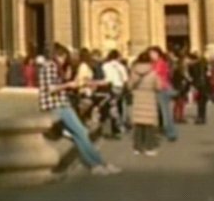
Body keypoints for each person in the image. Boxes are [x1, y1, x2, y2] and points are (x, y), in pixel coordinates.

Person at [38, 42, 121, 175]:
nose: (65, 61)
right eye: (64, 58)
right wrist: (69, 84)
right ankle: (96, 164)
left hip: (60, 104)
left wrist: (68, 81)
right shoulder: (51, 66)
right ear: (60, 56)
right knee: (81, 133)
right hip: (58, 105)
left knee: (79, 134)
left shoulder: (51, 66)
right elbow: (51, 88)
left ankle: (98, 163)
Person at [127, 50, 162, 156]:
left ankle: (137, 147)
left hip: (138, 98)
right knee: (149, 125)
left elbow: (129, 86)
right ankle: (149, 147)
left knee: (138, 124)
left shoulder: (134, 72)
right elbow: (159, 86)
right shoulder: (153, 72)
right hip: (149, 98)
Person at [148, 46, 178, 142]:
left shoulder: (160, 63)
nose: (151, 55)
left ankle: (171, 133)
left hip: (162, 89)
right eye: (150, 54)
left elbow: (154, 74)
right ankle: (163, 130)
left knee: (166, 113)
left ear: (158, 54)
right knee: (160, 112)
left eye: (152, 53)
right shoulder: (154, 63)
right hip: (157, 89)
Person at [101, 50, 129, 139]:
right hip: (119, 87)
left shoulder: (105, 65)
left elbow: (104, 77)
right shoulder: (121, 66)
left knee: (112, 107)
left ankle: (116, 126)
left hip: (109, 87)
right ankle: (119, 125)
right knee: (118, 106)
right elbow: (125, 79)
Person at [188, 52, 210, 124]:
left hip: (198, 85)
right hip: (205, 84)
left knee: (200, 102)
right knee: (203, 102)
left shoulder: (193, 66)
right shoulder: (204, 65)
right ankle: (203, 117)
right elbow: (207, 74)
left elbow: (192, 75)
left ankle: (200, 117)